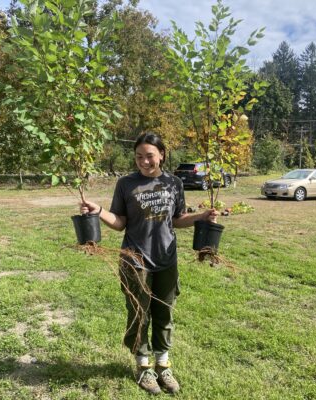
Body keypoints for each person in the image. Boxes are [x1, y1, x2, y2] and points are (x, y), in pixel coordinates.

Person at [80, 132, 218, 395]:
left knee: (165, 313)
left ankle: (163, 365)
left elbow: (177, 219)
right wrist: (98, 212)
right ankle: (143, 367)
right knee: (139, 314)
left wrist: (201, 216)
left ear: (162, 155)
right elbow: (120, 223)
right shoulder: (126, 184)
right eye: (139, 156)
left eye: (150, 156)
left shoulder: (174, 183)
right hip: (136, 259)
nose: (144, 161)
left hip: (167, 258)